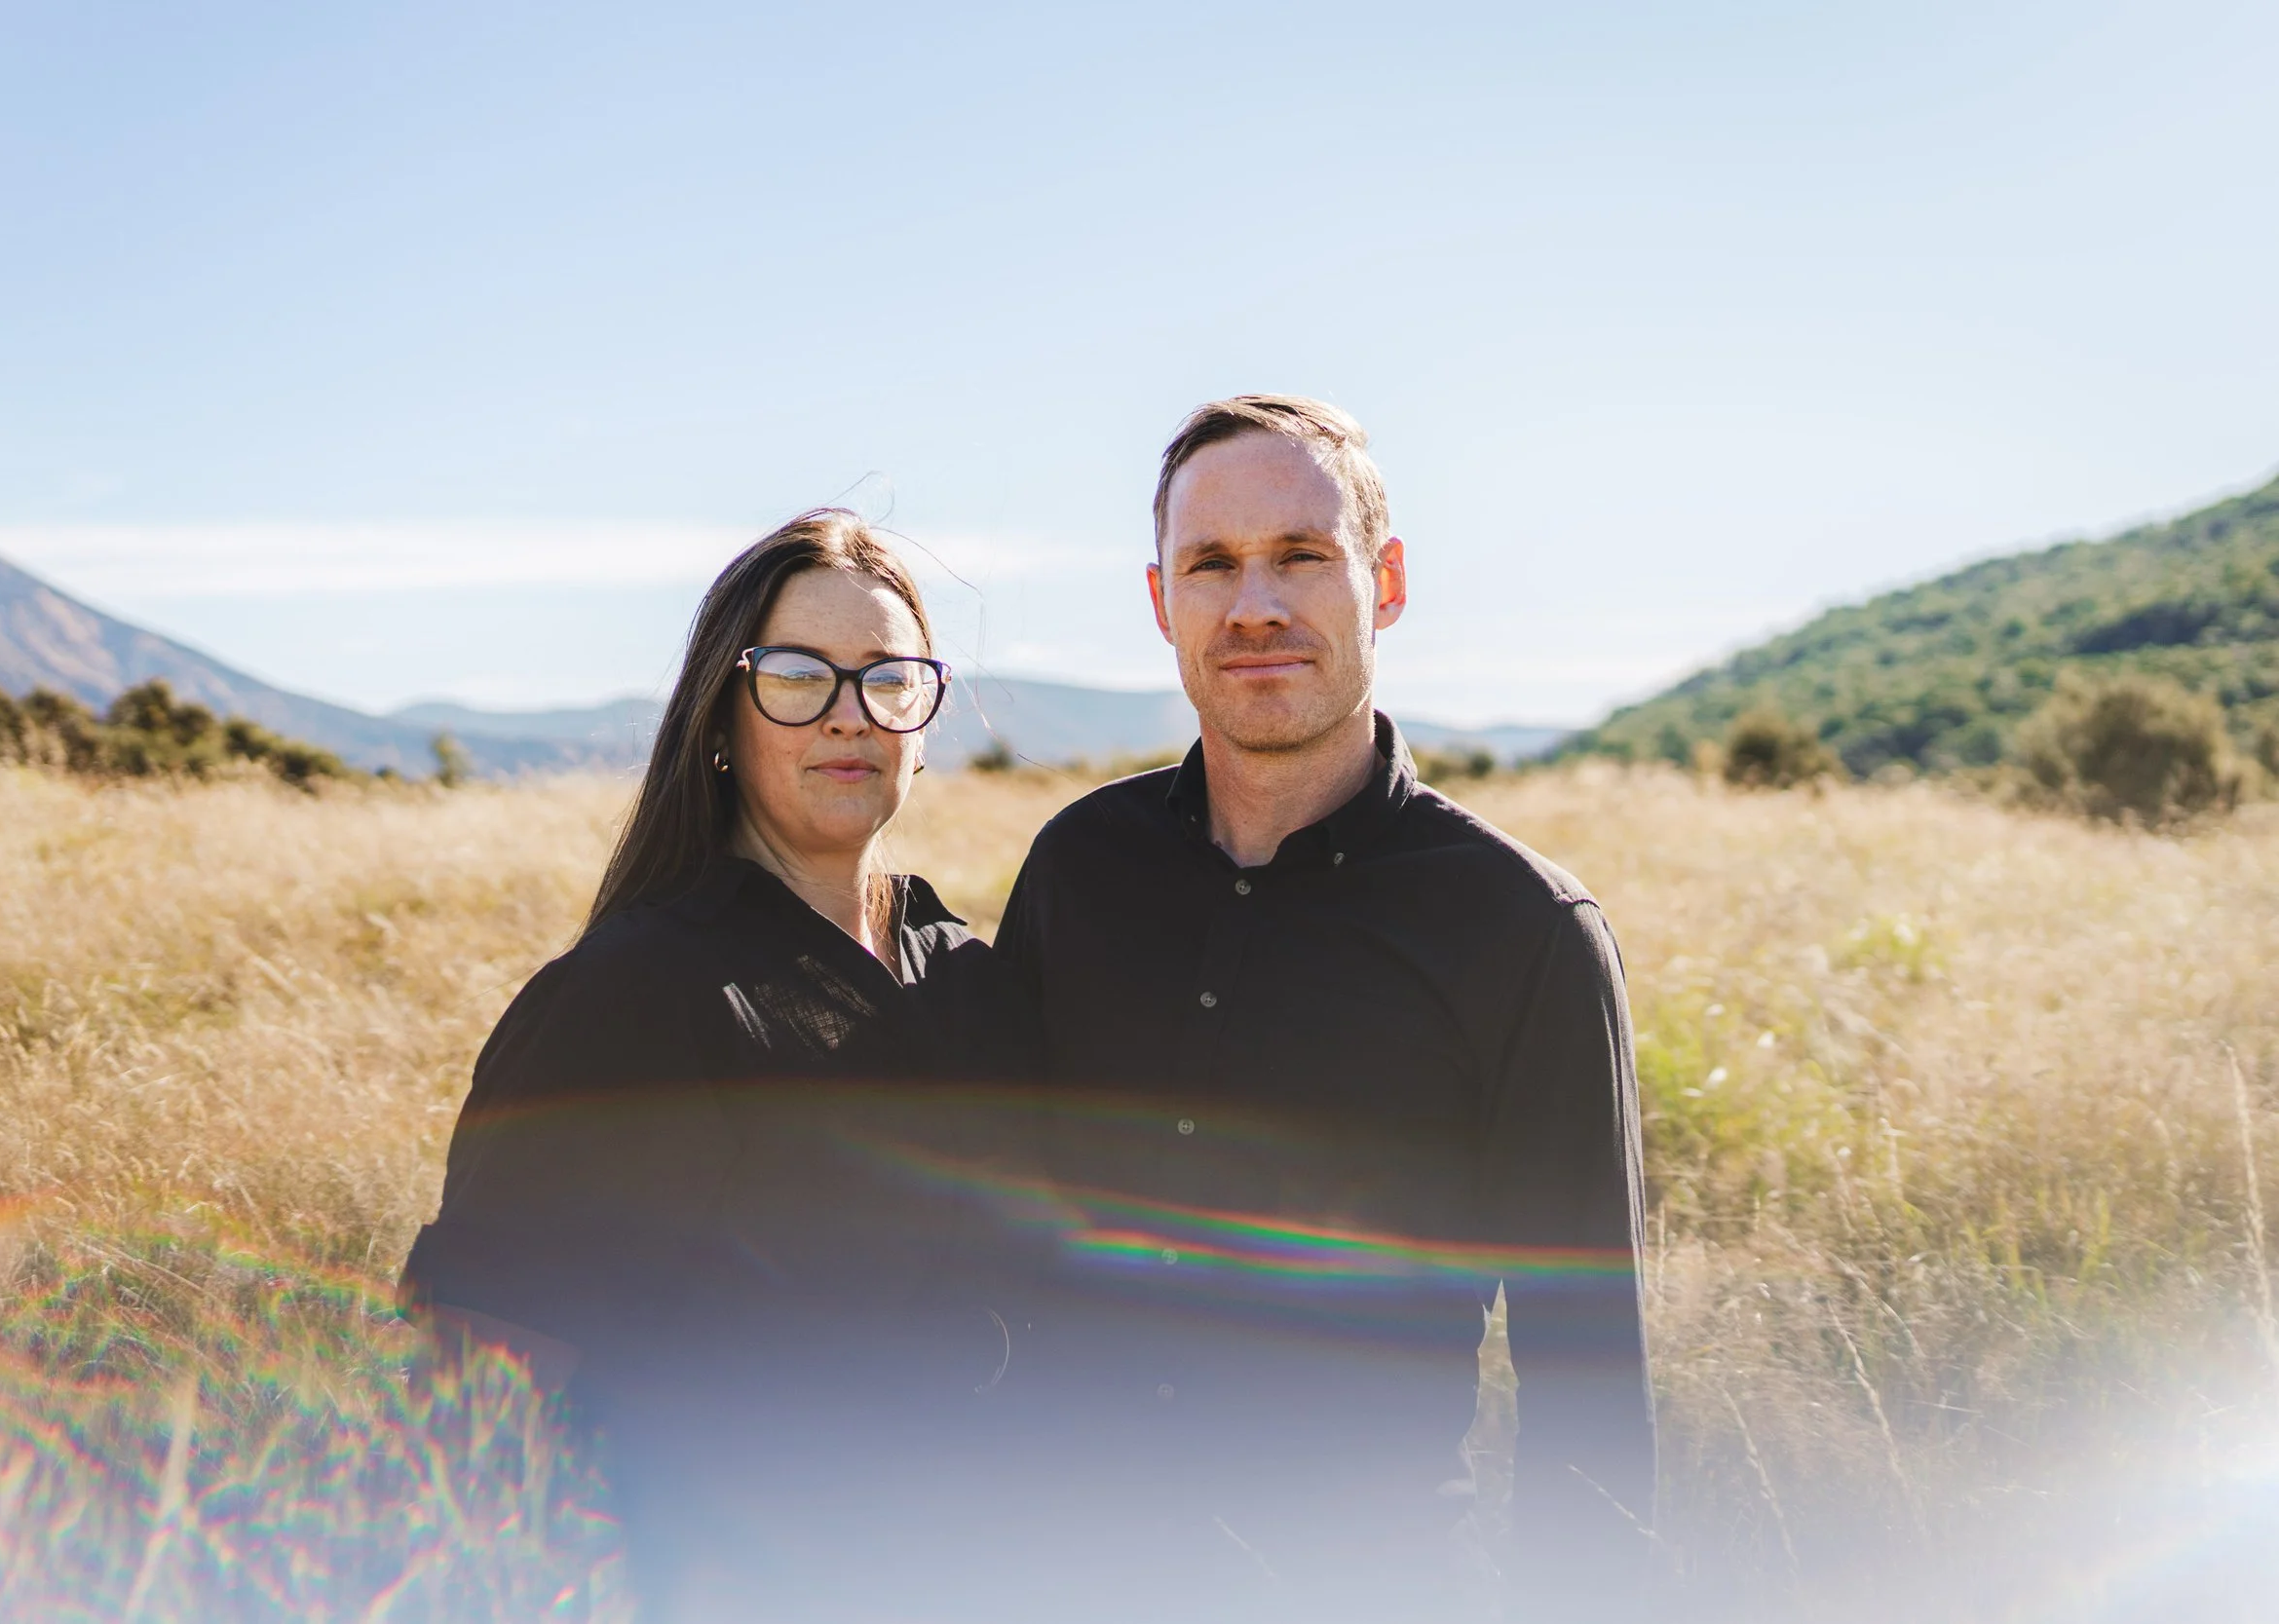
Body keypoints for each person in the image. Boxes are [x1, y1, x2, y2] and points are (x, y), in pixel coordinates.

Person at [994, 397, 1655, 1621]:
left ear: (1384, 581)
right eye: (1212, 564)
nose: (1254, 605)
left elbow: (1589, 1388)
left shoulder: (1524, 933)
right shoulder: (1077, 869)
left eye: (1301, 554)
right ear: (1160, 602)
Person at [399, 510, 1041, 1620]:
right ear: (721, 717)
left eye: (888, 679)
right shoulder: (629, 999)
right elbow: (477, 1416)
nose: (849, 716)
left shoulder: (969, 977)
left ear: (925, 720)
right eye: (796, 677)